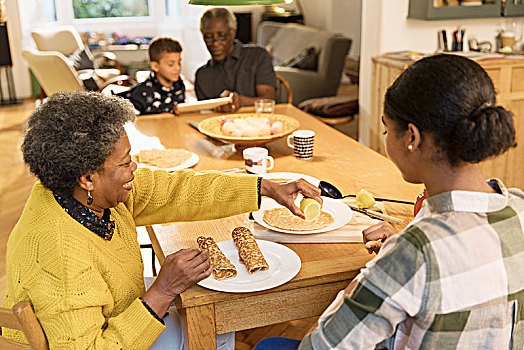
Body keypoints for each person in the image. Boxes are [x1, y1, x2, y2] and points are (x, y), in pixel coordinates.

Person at [2, 91, 321, 349]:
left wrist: (263, 187)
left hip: (116, 309)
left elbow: (179, 190)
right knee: (214, 326)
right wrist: (161, 291)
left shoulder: (82, 192)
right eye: (126, 163)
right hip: (96, 339)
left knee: (212, 311)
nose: (134, 170)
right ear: (87, 177)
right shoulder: (59, 253)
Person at [256, 54, 524, 349]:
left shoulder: (414, 252)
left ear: (412, 137)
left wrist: (380, 271)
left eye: (386, 128)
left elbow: (321, 346)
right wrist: (406, 245)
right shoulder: (518, 209)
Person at [195, 7, 276, 113]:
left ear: (232, 34)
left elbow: (268, 99)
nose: (215, 43)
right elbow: (205, 115)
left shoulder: (258, 56)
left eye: (222, 36)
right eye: (209, 37)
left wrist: (241, 101)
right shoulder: (202, 75)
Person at [117, 36, 185, 115]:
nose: (178, 68)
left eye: (179, 62)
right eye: (171, 64)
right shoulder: (140, 93)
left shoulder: (179, 85)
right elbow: (133, 123)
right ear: (155, 66)